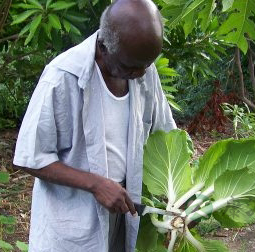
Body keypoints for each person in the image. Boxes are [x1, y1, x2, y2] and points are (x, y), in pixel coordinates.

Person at [13, 0, 176, 251]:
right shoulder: (62, 77)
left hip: (126, 208)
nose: (141, 75)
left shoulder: (142, 68)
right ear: (103, 47)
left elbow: (166, 135)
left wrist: (178, 195)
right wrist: (95, 184)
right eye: (131, 68)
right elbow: (30, 156)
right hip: (74, 220)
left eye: (146, 65)